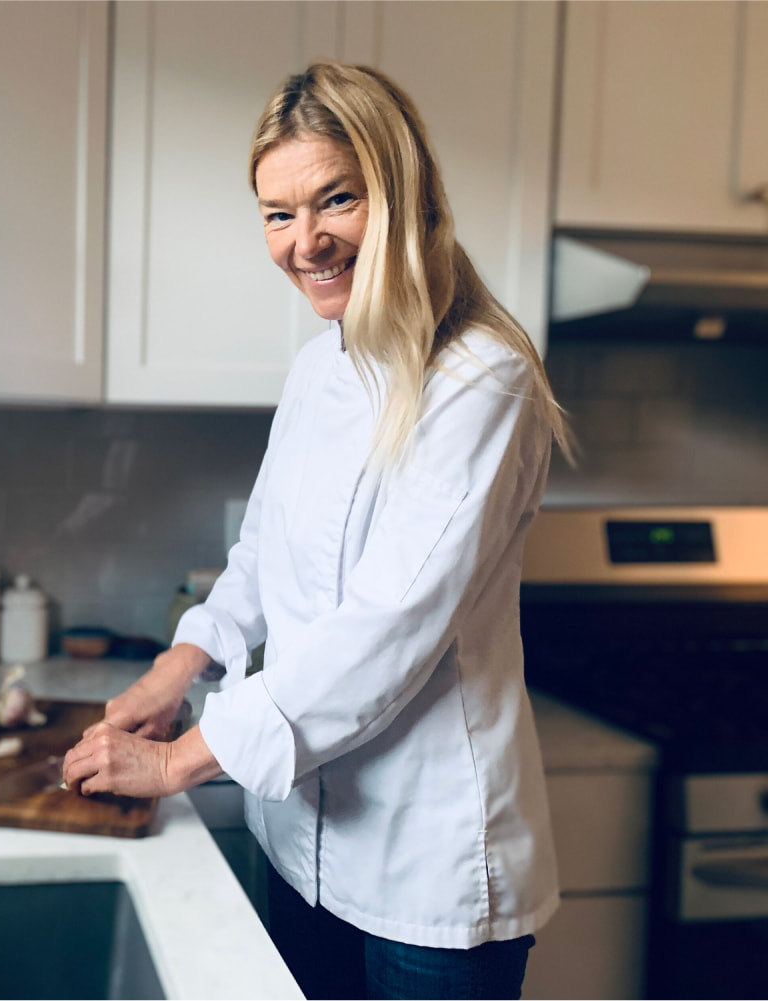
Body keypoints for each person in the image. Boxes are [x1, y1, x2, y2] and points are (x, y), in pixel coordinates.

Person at [63, 61, 573, 1001]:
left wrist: (179, 759)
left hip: (429, 871)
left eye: (337, 199)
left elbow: (384, 631)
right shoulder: (316, 369)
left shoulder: (483, 380)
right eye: (277, 213)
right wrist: (180, 666)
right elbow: (258, 556)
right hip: (297, 843)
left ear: (402, 189)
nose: (307, 243)